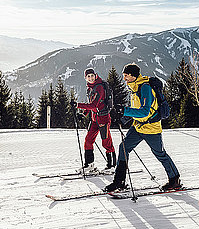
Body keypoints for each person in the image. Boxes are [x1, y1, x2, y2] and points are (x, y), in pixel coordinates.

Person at [104, 63, 181, 192]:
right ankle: (119, 182)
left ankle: (175, 180)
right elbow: (135, 109)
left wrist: (124, 110)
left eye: (126, 76)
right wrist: (123, 117)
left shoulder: (145, 88)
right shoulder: (134, 88)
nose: (124, 79)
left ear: (133, 75)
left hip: (151, 128)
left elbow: (145, 112)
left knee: (160, 154)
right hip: (138, 127)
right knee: (123, 148)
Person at [71, 68, 116, 172]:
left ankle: (112, 166)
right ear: (85, 78)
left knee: (106, 143)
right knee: (88, 141)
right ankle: (89, 164)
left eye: (92, 76)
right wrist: (84, 114)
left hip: (103, 118)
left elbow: (93, 105)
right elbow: (92, 106)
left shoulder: (99, 87)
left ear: (96, 75)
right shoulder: (90, 88)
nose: (90, 78)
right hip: (94, 118)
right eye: (88, 76)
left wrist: (77, 105)